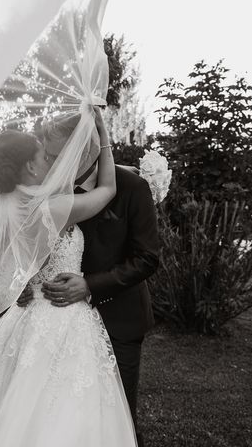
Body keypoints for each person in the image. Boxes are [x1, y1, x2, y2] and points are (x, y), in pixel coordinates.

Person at [0, 108, 138, 447]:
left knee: (10, 401)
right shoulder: (52, 207)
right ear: (30, 165)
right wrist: (104, 137)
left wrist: (20, 286)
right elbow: (106, 191)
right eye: (44, 155)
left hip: (25, 317)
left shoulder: (5, 204)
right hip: (63, 317)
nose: (51, 160)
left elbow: (4, 262)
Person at [18, 110, 160, 446]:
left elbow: (147, 258)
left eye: (55, 155)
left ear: (80, 150)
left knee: (117, 418)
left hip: (119, 319)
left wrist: (89, 286)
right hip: (57, 323)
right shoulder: (49, 188)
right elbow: (25, 247)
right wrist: (21, 281)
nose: (49, 162)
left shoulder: (131, 187)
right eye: (47, 155)